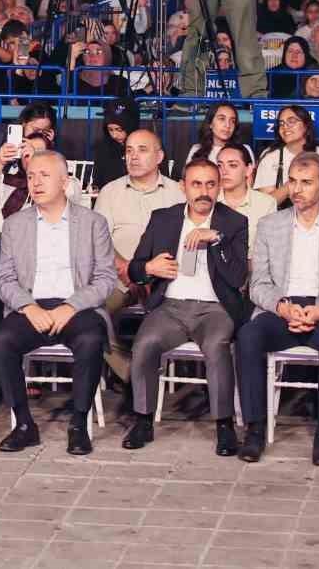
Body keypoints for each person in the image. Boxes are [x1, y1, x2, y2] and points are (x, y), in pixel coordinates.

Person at [235, 153, 319, 465]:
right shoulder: (270, 225)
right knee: (248, 336)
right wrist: (282, 307)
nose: (296, 189)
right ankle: (254, 429)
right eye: (292, 181)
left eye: (306, 182)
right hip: (283, 306)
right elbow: (258, 284)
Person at [0, 150, 117, 455]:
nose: (36, 182)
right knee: (0, 341)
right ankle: (23, 425)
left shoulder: (92, 222)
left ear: (64, 181)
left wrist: (71, 306)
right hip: (31, 305)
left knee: (89, 339)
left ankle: (78, 424)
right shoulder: (14, 224)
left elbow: (105, 279)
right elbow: (4, 279)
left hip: (77, 305)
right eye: (31, 175)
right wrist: (28, 307)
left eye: (44, 175)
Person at [123, 158, 249, 455]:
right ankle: (143, 420)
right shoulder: (163, 219)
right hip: (171, 306)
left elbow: (238, 277)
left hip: (215, 308)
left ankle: (224, 425)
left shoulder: (234, 222)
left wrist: (216, 240)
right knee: (144, 344)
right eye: (196, 184)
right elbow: (135, 269)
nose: (203, 191)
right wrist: (150, 268)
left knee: (218, 346)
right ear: (183, 187)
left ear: (219, 187)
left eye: (210, 184)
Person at [92, 129, 183, 389]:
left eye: (142, 150)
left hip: (165, 279)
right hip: (119, 279)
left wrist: (150, 275)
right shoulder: (110, 192)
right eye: (129, 150)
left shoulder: (177, 193)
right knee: (93, 314)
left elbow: (183, 244)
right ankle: (132, 374)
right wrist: (131, 273)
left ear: (159, 157)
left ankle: (148, 370)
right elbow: (101, 243)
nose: (133, 156)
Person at [217, 142, 277, 248]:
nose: (224, 171)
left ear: (248, 169)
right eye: (219, 165)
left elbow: (271, 248)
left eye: (232, 165)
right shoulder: (210, 201)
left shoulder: (266, 204)